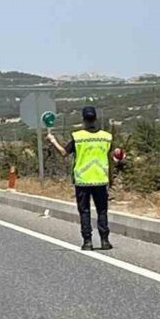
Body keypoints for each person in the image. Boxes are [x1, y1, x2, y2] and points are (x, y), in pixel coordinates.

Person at [47, 106, 114, 251]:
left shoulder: (78, 137)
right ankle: (105, 240)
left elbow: (64, 152)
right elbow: (110, 158)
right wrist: (111, 178)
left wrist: (53, 141)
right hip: (101, 179)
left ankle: (87, 242)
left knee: (84, 211)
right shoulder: (106, 136)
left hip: (82, 180)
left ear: (83, 119)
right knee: (102, 210)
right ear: (95, 119)